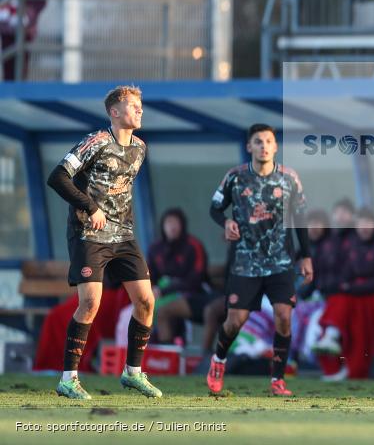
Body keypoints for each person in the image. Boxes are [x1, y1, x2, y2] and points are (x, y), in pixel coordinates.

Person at [45, 85, 161, 400]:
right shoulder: (95, 142)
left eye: (141, 105)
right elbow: (57, 177)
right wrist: (91, 208)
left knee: (147, 302)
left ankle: (133, 373)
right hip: (88, 233)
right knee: (90, 303)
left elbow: (121, 193)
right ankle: (68, 379)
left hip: (123, 235)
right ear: (114, 112)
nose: (139, 110)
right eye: (133, 105)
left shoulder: (139, 147)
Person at [206, 123, 314, 397]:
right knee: (235, 321)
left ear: (276, 146)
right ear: (249, 147)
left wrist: (306, 255)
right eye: (258, 141)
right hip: (245, 262)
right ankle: (218, 361)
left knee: (284, 317)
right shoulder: (235, 177)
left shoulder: (289, 178)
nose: (264, 146)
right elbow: (215, 208)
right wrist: (227, 221)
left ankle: (277, 379)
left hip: (280, 262)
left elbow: (301, 218)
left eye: (268, 141)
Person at [317, 208, 374, 379]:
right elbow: (344, 273)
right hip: (359, 295)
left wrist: (351, 287)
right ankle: (332, 339)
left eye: (368, 223)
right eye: (360, 223)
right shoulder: (351, 243)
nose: (364, 227)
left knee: (346, 301)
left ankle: (333, 335)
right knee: (341, 299)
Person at [147, 208, 216, 344]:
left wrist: (164, 291)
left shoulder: (193, 245)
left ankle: (169, 354)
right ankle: (149, 351)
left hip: (194, 294)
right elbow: (150, 275)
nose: (172, 227)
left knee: (164, 311)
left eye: (175, 223)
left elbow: (196, 278)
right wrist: (153, 289)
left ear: (182, 225)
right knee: (137, 311)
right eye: (168, 223)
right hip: (162, 294)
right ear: (163, 226)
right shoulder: (155, 249)